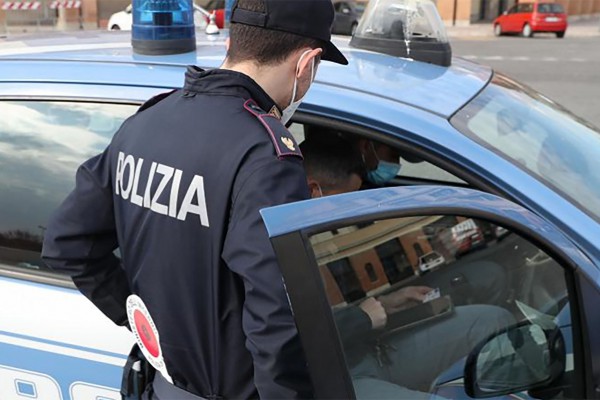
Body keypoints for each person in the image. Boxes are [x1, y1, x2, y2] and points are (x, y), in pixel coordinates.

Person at [41, 0, 348, 399]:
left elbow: (68, 243)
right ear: (307, 63)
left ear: (233, 43)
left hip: (160, 388)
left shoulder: (148, 121)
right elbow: (277, 319)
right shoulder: (265, 155)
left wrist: (143, 321)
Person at [301, 137, 516, 398]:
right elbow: (288, 337)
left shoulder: (318, 224)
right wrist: (360, 318)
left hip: (370, 347)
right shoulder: (271, 244)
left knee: (492, 321)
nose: (347, 210)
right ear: (314, 190)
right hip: (333, 377)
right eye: (343, 200)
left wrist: (387, 302)